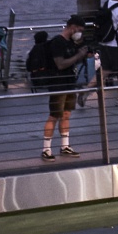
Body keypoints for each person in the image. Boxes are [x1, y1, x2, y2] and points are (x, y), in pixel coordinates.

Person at [37, 17, 89, 159]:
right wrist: (79, 55)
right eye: (79, 30)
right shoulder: (58, 42)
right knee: (54, 115)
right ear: (72, 27)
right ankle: (46, 149)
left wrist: (81, 51)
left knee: (66, 114)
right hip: (58, 83)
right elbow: (60, 64)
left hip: (69, 82)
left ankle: (65, 145)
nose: (79, 33)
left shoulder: (71, 42)